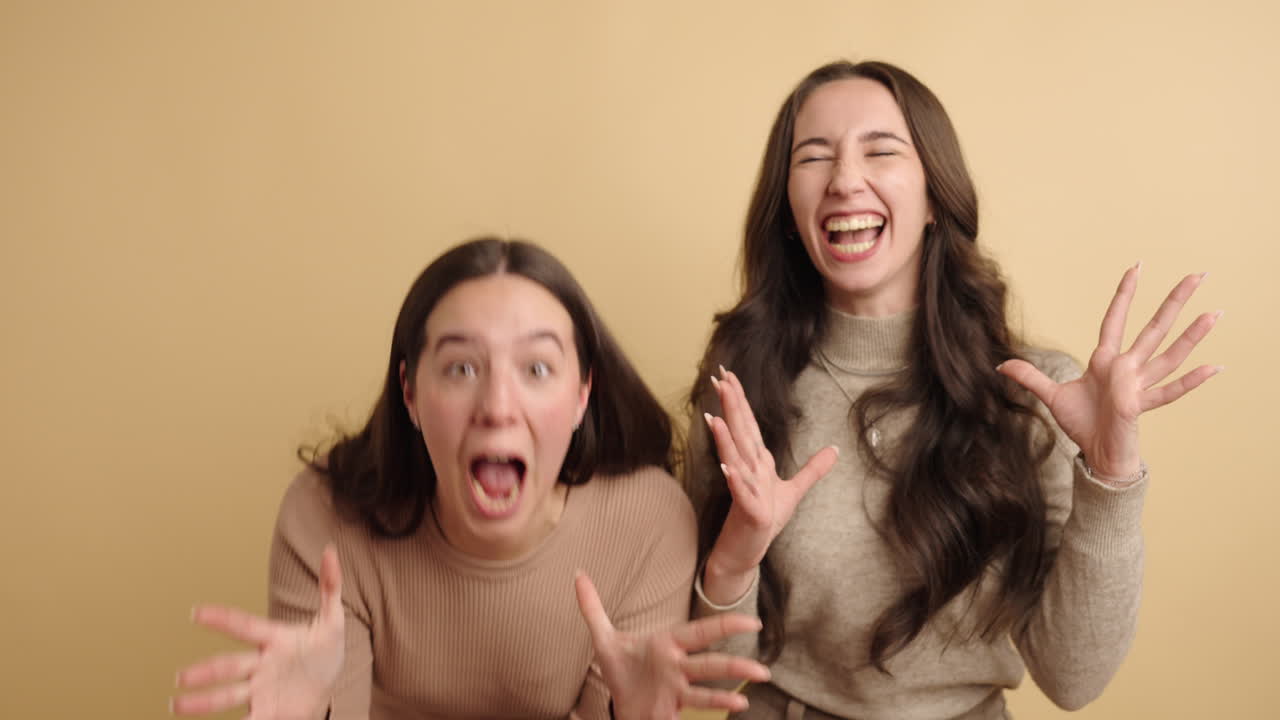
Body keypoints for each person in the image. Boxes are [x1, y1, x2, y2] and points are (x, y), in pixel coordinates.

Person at [684, 60, 1222, 719]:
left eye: (881, 151)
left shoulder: (1035, 395)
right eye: (813, 158)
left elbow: (1072, 678)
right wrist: (740, 545)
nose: (845, 180)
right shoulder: (743, 384)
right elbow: (710, 680)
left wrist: (1110, 476)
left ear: (935, 196)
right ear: (790, 212)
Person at [172, 237, 769, 720]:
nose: (497, 406)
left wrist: (627, 718)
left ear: (583, 393)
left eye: (537, 368)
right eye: (461, 367)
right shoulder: (324, 516)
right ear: (410, 392)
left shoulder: (648, 523)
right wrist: (309, 715)